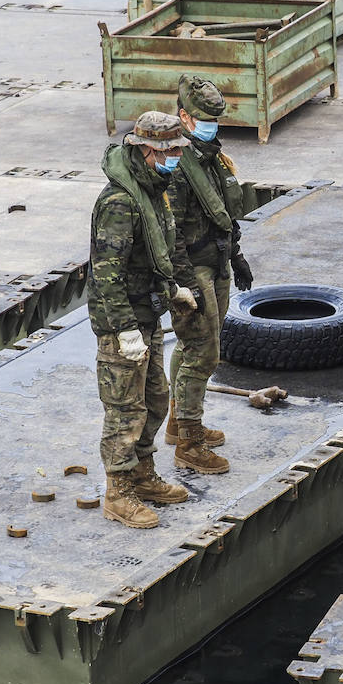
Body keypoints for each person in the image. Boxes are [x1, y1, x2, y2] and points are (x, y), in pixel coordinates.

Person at [88, 111, 194, 528]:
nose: (175, 160)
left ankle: (143, 475)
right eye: (168, 153)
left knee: (153, 400)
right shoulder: (119, 201)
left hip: (147, 313)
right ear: (147, 151)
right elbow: (106, 273)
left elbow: (155, 256)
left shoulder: (152, 189)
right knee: (124, 410)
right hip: (124, 323)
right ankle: (119, 492)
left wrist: (173, 291)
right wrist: (123, 329)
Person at [164, 76, 250, 474]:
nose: (212, 124)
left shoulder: (210, 157)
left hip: (215, 262)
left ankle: (177, 420)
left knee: (192, 346)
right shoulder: (179, 166)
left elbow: (223, 217)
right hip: (194, 268)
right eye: (203, 118)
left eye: (216, 118)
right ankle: (189, 441)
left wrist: (236, 256)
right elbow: (173, 234)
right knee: (204, 351)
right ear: (184, 117)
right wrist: (185, 286)